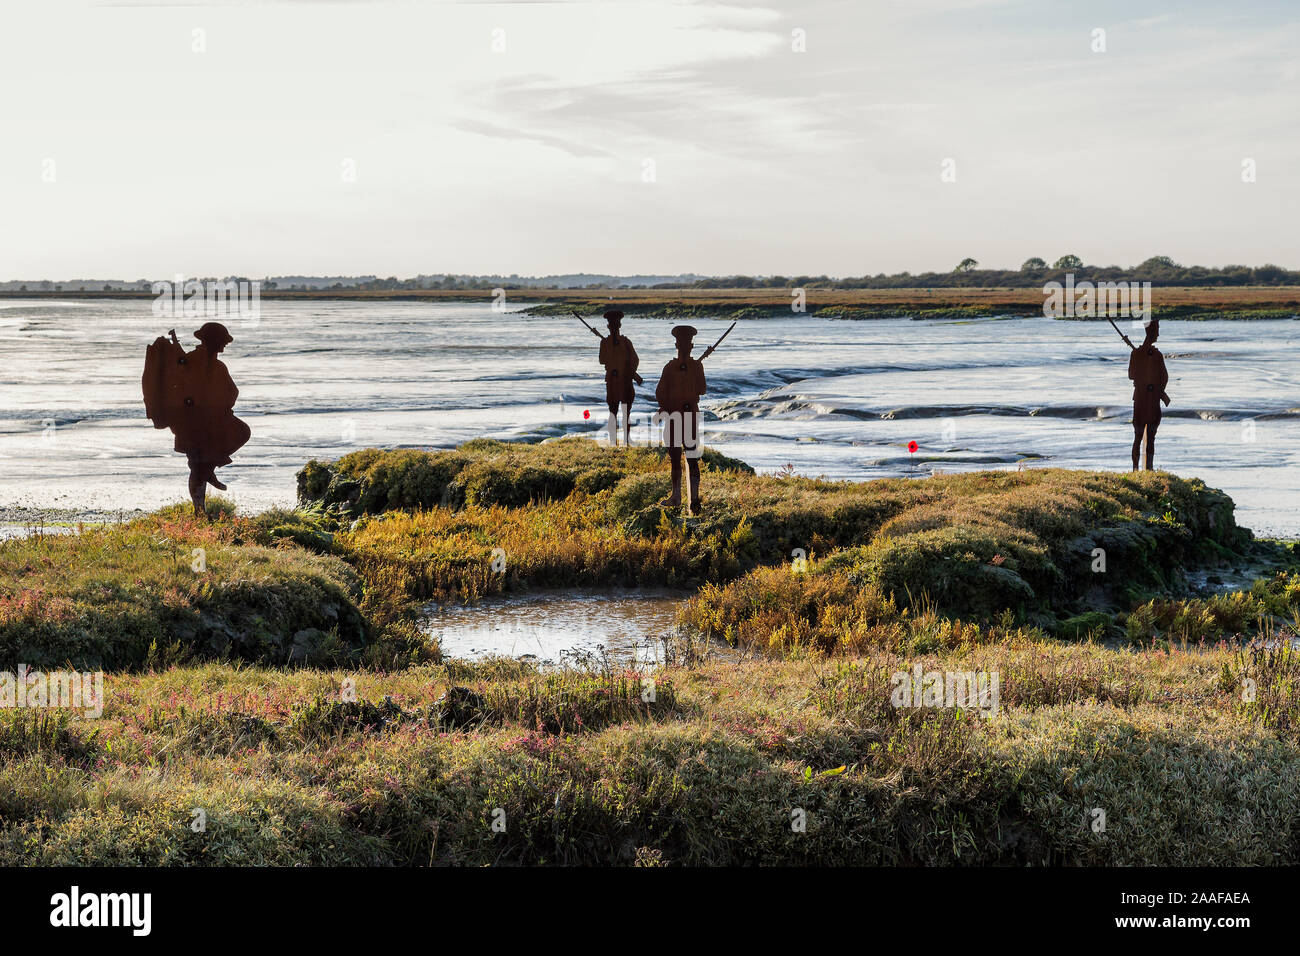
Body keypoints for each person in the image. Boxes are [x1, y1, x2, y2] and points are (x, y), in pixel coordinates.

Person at [143, 321, 251, 517]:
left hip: (209, 424)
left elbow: (230, 392)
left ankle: (210, 469)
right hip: (192, 426)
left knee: (236, 436)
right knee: (198, 465)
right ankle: (199, 512)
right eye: (222, 341)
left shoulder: (209, 364)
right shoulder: (191, 362)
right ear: (214, 341)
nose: (225, 345)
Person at [654, 325, 707, 513]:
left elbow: (701, 389)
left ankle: (694, 499)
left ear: (691, 347)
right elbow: (659, 393)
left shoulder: (696, 366)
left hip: (689, 416)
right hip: (674, 417)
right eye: (681, 344)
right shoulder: (669, 368)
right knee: (675, 459)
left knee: (692, 458)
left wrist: (691, 374)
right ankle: (676, 496)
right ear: (677, 345)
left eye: (687, 344)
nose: (684, 348)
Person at [1127, 318, 1169, 471]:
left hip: (1149, 401)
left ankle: (1147, 469)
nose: (1157, 335)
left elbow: (1164, 377)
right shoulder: (1138, 354)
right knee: (1139, 437)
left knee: (1149, 437)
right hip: (1143, 401)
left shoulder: (1153, 355)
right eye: (1155, 331)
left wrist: (1158, 390)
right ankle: (1136, 469)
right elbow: (1132, 375)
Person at [598, 309, 641, 447]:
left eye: (616, 324)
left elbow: (635, 359)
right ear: (608, 327)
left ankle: (626, 440)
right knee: (613, 412)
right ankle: (613, 442)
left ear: (620, 326)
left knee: (626, 413)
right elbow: (602, 360)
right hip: (612, 380)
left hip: (625, 380)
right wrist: (610, 349)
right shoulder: (605, 343)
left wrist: (631, 372)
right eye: (612, 325)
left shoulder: (626, 342)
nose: (614, 327)